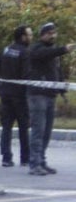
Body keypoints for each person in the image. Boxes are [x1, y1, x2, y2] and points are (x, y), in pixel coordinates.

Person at [26, 22, 74, 175]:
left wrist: (61, 87)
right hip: (38, 94)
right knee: (38, 131)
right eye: (50, 33)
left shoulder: (52, 52)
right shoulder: (37, 49)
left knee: (46, 132)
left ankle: (42, 160)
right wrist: (63, 50)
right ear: (43, 35)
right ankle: (34, 164)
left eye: (54, 33)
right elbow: (44, 55)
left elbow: (56, 71)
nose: (53, 36)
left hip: (50, 94)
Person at [0, 25, 32, 168]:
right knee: (23, 127)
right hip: (20, 96)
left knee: (6, 127)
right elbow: (27, 75)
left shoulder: (6, 50)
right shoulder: (25, 52)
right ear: (23, 37)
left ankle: (6, 157)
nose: (31, 37)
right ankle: (25, 158)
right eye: (29, 35)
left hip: (6, 94)